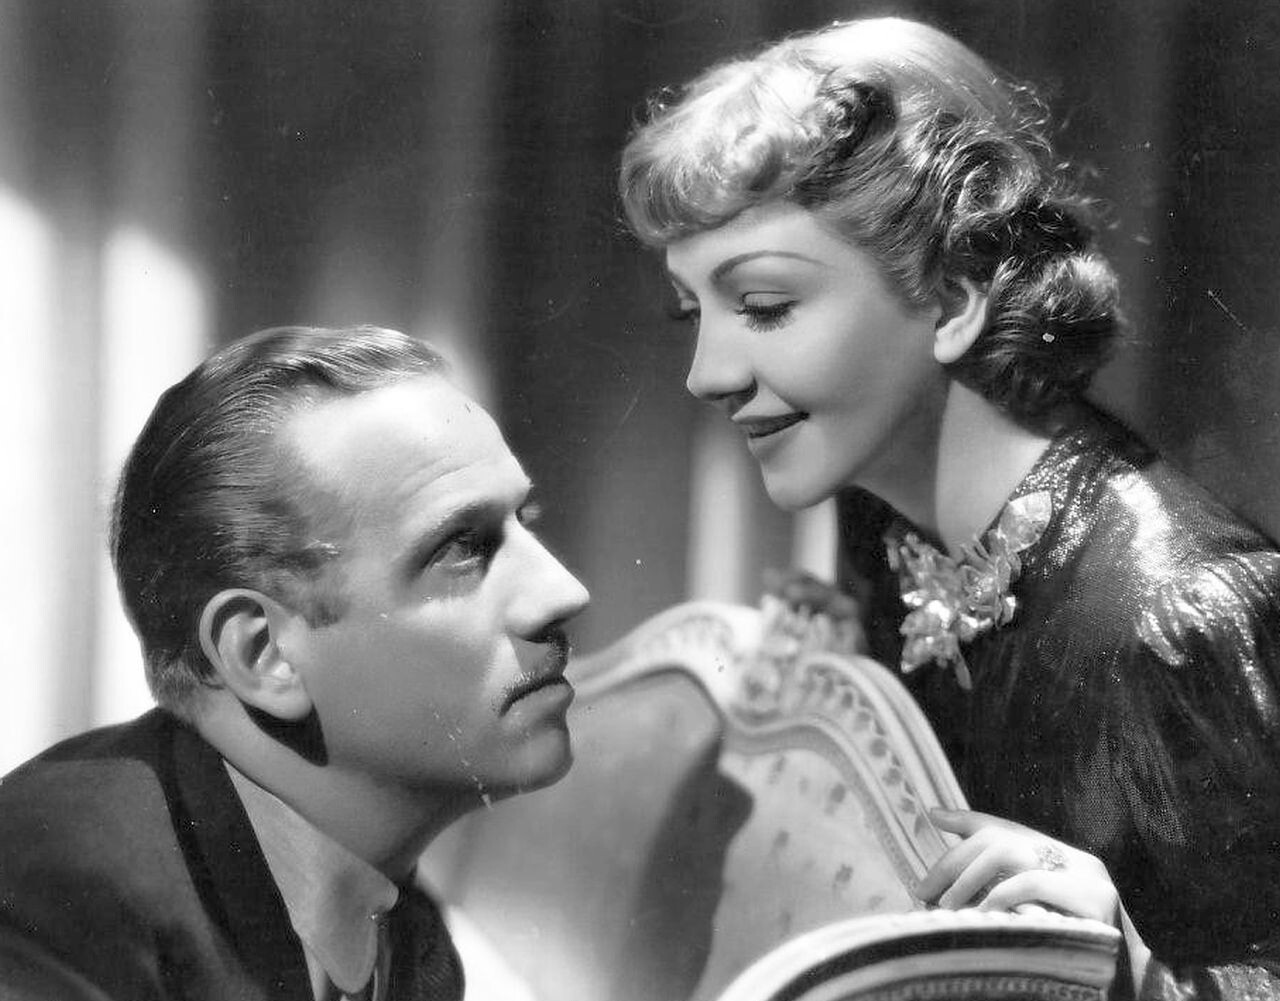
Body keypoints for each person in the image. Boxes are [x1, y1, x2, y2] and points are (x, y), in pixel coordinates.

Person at [618, 16, 1280, 999]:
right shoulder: (874, 514)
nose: (705, 372)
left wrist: (1139, 975)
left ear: (957, 295)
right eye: (692, 312)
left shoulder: (1183, 613)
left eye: (762, 305)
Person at [0, 326, 590, 1000]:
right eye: (462, 547)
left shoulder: (408, 935)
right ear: (263, 653)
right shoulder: (56, 902)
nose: (563, 591)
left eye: (524, 520)